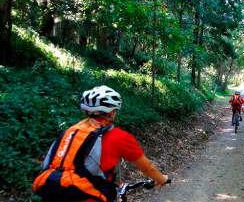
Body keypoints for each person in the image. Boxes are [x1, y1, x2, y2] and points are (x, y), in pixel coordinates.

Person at [32, 85, 169, 202]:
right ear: (111, 113)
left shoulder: (71, 132)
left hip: (51, 189)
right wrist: (161, 179)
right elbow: (148, 168)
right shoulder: (118, 137)